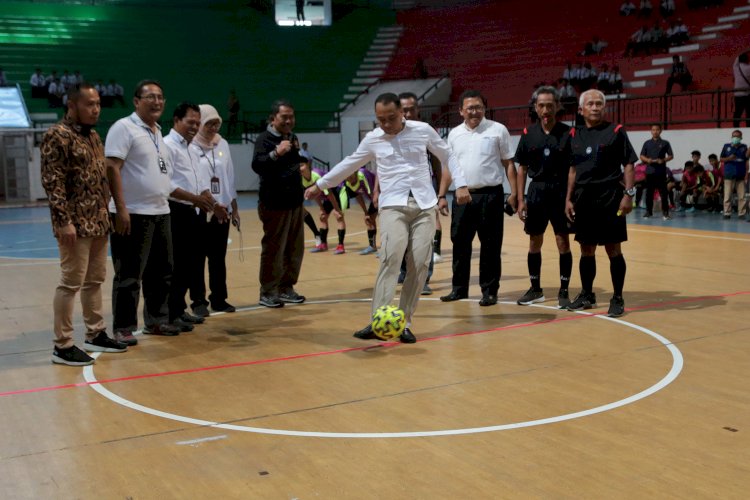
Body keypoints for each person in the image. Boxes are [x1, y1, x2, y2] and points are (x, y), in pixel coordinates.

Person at [304, 92, 470, 343]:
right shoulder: (373, 139)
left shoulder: (422, 130)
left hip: (425, 205)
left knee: (420, 264)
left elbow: (447, 155)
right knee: (390, 258)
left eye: (391, 118)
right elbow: (350, 163)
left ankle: (403, 322)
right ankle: (377, 320)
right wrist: (321, 184)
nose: (385, 124)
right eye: (380, 120)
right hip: (393, 206)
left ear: (402, 112)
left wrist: (461, 184)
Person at [41, 83, 128, 366]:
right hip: (74, 225)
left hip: (99, 221)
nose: (95, 109)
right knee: (70, 283)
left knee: (95, 281)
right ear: (72, 105)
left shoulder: (93, 136)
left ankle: (95, 332)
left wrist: (109, 210)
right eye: (89, 104)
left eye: (98, 104)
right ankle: (63, 345)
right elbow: (53, 182)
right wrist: (63, 222)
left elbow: (101, 178)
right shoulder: (57, 135)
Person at [106, 79, 180, 344]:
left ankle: (156, 321)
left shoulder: (157, 131)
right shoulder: (123, 128)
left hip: (161, 211)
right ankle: (124, 327)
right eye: (150, 97)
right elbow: (111, 167)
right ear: (136, 101)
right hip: (132, 213)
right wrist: (121, 208)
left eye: (160, 97)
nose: (157, 101)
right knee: (129, 274)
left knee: (161, 271)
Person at [439, 90, 518, 307]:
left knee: (490, 246)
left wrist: (514, 192)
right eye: (470, 108)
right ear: (461, 111)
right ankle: (459, 289)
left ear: (484, 108)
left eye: (478, 107)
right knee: (460, 243)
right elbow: (448, 167)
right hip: (462, 196)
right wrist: (441, 195)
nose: (474, 111)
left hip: (490, 196)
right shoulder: (454, 134)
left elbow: (508, 163)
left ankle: (490, 291)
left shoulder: (497, 130)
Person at [565, 89, 637, 318]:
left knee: (613, 249)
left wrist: (628, 195)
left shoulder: (616, 131)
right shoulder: (574, 134)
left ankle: (617, 297)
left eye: (599, 104)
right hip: (584, 198)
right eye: (591, 104)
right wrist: (568, 198)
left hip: (610, 197)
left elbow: (628, 165)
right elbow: (573, 170)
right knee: (586, 249)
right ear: (581, 109)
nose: (595, 107)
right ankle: (587, 294)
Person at [514, 86, 574, 308]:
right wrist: (521, 200)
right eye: (541, 105)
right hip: (536, 192)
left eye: (550, 105)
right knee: (534, 241)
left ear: (557, 107)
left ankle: (564, 291)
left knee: (562, 242)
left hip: (560, 192)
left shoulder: (569, 133)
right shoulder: (528, 134)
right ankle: (535, 289)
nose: (546, 109)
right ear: (535, 108)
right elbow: (521, 168)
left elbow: (572, 170)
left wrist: (569, 198)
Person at [163, 102, 216, 328]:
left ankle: (179, 308)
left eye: (197, 122)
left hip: (194, 211)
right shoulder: (167, 146)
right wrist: (195, 199)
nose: (195, 126)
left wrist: (214, 204)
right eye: (190, 122)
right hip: (176, 210)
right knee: (174, 265)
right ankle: (169, 313)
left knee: (189, 265)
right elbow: (166, 185)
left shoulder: (191, 148)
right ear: (176, 120)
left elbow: (200, 183)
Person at [251, 99, 308, 308]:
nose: (289, 120)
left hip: (295, 202)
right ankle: (268, 291)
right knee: (274, 249)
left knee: (295, 248)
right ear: (273, 118)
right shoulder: (264, 139)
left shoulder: (292, 137)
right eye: (284, 117)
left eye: (291, 116)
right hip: (274, 204)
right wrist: (277, 153)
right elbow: (257, 165)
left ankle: (286, 288)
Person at [192, 104, 240, 313]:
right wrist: (211, 204)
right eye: (208, 123)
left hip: (223, 211)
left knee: (218, 258)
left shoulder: (223, 144)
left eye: (216, 123)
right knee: (197, 258)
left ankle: (219, 298)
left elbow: (229, 177)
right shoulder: (190, 146)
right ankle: (198, 302)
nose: (213, 128)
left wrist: (234, 208)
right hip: (201, 210)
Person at [397, 91, 441, 293]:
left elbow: (437, 163)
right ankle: (405, 272)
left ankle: (423, 279)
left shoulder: (426, 132)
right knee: (401, 236)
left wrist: (440, 193)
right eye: (403, 109)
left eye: (410, 109)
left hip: (423, 192)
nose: (407, 112)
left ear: (417, 110)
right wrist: (378, 189)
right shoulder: (392, 132)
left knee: (423, 237)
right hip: (398, 192)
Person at [301, 160, 343, 253]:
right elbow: (316, 195)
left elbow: (330, 193)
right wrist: (321, 208)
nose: (300, 168)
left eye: (302, 165)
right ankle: (323, 245)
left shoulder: (317, 174)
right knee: (323, 218)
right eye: (298, 166)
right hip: (326, 196)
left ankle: (341, 246)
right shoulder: (303, 179)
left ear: (308, 164)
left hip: (336, 192)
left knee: (339, 217)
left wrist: (337, 209)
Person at [639, 123, 674, 220]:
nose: (655, 131)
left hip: (661, 172)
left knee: (664, 193)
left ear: (661, 130)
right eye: (653, 130)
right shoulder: (647, 143)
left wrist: (663, 160)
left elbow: (671, 156)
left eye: (657, 130)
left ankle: (665, 213)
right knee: (649, 194)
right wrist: (647, 160)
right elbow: (641, 156)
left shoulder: (665, 143)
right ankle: (648, 212)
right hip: (650, 172)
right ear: (651, 131)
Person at [720, 130, 748, 220]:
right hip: (729, 174)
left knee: (742, 196)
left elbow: (746, 158)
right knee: (727, 195)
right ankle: (727, 213)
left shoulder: (744, 147)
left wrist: (747, 173)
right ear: (732, 137)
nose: (735, 138)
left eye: (737, 136)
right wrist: (729, 158)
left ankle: (741, 213)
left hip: (740, 174)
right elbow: (721, 159)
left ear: (741, 138)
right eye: (734, 136)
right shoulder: (726, 146)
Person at [732, 51, 750, 127]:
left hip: (737, 94)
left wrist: (746, 50)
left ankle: (735, 126)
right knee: (749, 112)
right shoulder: (749, 68)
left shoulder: (736, 67)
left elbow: (737, 58)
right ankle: (748, 127)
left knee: (737, 112)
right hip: (747, 93)